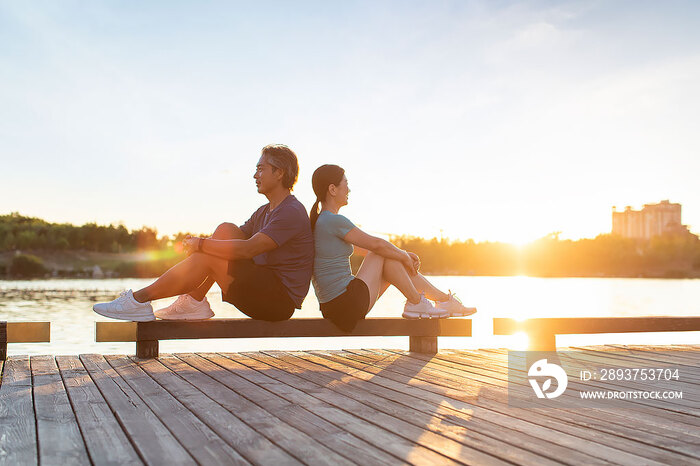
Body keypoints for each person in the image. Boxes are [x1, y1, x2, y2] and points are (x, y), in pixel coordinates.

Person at [93, 144, 313, 322]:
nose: (255, 175)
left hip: (277, 301)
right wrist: (205, 244)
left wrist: (201, 245)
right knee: (225, 229)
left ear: (279, 172)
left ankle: (138, 301)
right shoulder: (265, 211)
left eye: (261, 168)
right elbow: (231, 237)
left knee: (208, 254)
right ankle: (194, 300)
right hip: (262, 286)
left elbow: (249, 249)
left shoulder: (291, 211)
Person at [310, 164, 476, 332]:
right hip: (345, 304)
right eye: (346, 184)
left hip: (336, 307)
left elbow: (368, 250)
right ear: (332, 189)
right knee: (384, 254)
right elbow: (377, 246)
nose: (349, 190)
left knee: (389, 260)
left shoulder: (322, 222)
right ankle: (421, 302)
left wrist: (399, 254)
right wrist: (403, 255)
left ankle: (438, 301)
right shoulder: (333, 221)